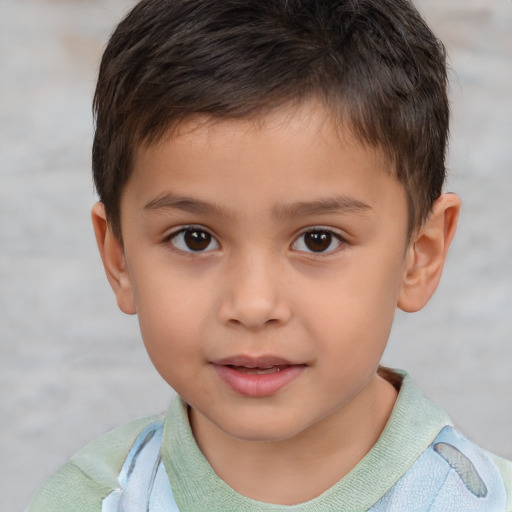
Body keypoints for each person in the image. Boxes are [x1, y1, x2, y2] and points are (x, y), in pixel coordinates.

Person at [27, 0, 512, 510]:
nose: (254, 305)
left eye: (318, 239)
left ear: (421, 255)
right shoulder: (86, 500)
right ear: (119, 256)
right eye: (194, 238)